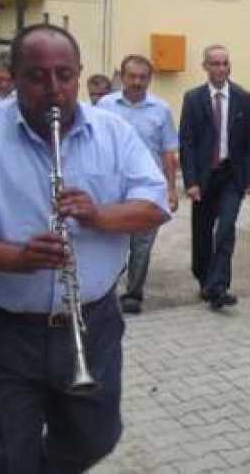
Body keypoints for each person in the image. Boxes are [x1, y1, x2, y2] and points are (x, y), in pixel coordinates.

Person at [0, 24, 168, 473]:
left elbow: (154, 205)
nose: (53, 89)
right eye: (36, 76)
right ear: (13, 75)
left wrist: (98, 215)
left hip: (93, 324)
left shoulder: (114, 132)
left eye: (64, 75)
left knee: (96, 438)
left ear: (80, 74)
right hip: (3, 331)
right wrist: (18, 259)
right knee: (7, 455)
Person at [96, 54, 180, 314]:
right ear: (121, 77)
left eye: (143, 77)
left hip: (147, 188)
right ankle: (104, 289)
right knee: (111, 239)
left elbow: (168, 152)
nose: (137, 82)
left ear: (149, 79)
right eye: (132, 76)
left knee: (142, 244)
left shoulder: (161, 110)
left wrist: (171, 189)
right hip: (111, 187)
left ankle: (133, 293)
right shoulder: (104, 106)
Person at [179, 45, 250, 310]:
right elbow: (186, 142)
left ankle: (219, 286)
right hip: (204, 176)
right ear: (205, 67)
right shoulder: (193, 99)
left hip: (231, 176)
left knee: (225, 229)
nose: (221, 68)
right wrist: (190, 182)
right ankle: (204, 278)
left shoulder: (243, 97)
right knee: (202, 233)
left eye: (225, 63)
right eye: (215, 63)